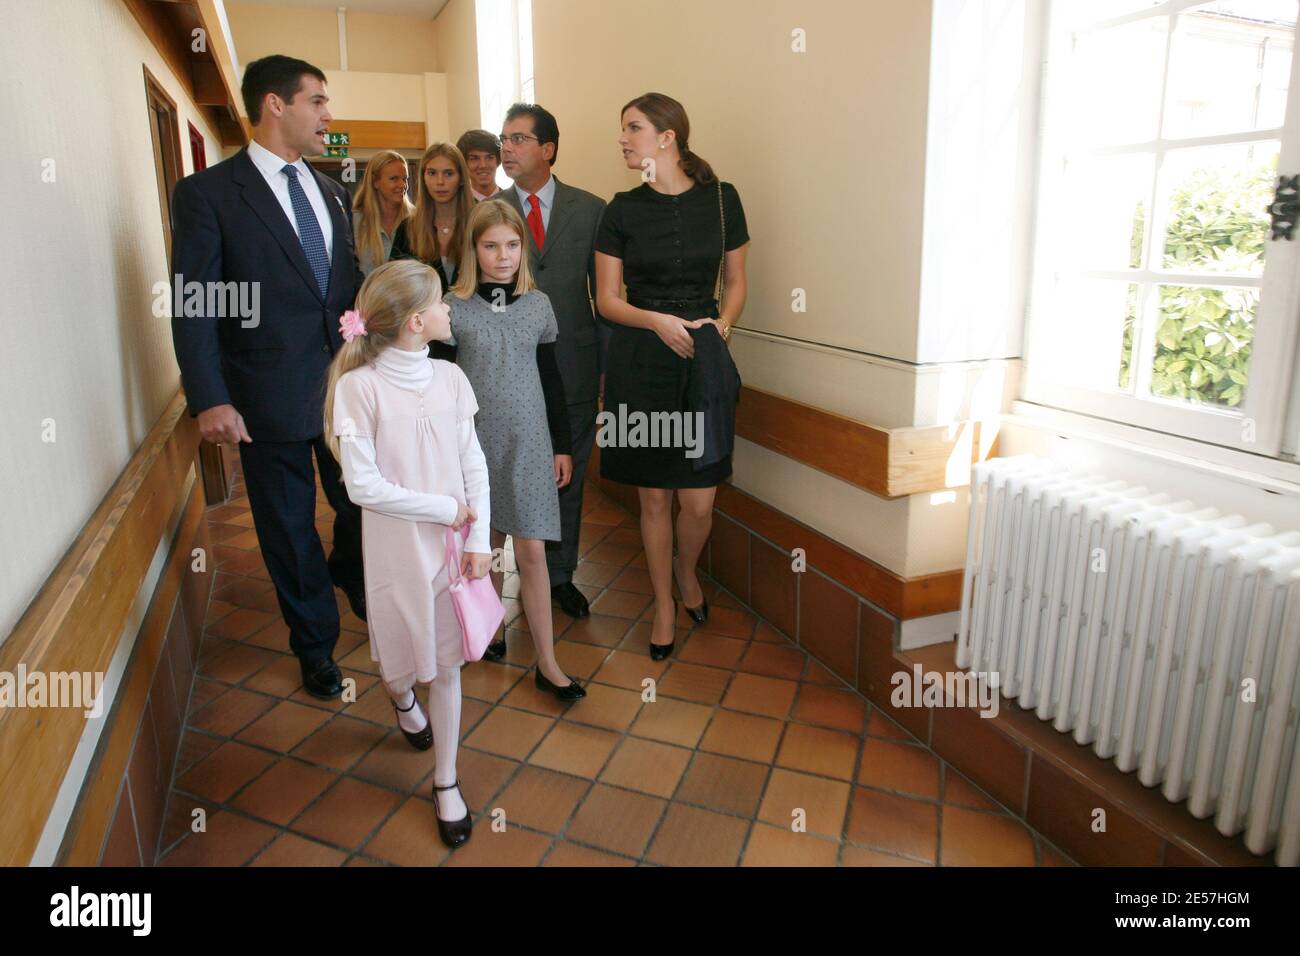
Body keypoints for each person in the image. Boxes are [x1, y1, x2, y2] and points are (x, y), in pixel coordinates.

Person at [169, 54, 366, 699]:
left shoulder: (333, 192)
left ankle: (351, 570)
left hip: (344, 392)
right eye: (318, 101)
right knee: (287, 527)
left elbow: (346, 291)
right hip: (262, 397)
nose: (328, 116)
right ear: (275, 105)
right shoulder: (209, 194)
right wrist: (210, 398)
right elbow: (195, 302)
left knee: (361, 504)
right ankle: (315, 645)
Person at [325, 259, 490, 848]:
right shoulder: (359, 387)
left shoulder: (450, 379)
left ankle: (446, 780)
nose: (452, 311)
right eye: (444, 303)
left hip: (451, 546)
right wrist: (445, 510)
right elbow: (362, 486)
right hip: (399, 545)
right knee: (400, 658)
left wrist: (476, 537)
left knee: (446, 662)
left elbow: (474, 462)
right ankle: (399, 697)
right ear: (418, 321)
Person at [594, 92, 750, 661]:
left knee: (700, 502)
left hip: (703, 361)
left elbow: (735, 281)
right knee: (655, 499)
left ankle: (687, 571)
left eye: (632, 128)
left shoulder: (723, 200)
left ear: (668, 136)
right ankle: (663, 602)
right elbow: (607, 300)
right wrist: (657, 321)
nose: (623, 138)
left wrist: (722, 327)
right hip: (642, 361)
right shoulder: (621, 209)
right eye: (624, 129)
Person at [442, 200, 586, 700]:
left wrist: (562, 446)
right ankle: (492, 626)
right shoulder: (453, 309)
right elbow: (438, 384)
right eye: (490, 246)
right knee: (487, 541)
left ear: (522, 249)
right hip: (475, 444)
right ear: (472, 249)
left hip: (530, 440)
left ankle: (547, 661)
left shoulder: (537, 305)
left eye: (511, 244)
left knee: (531, 549)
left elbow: (551, 377)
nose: (502, 256)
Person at [495, 102, 609, 621]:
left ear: (548, 149)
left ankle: (560, 576)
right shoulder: (492, 211)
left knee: (569, 473)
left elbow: (603, 297)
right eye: (504, 139)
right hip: (508, 374)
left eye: (518, 139)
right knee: (505, 477)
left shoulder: (591, 210)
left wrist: (605, 369)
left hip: (575, 369)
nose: (507, 148)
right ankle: (498, 578)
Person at [389, 142, 473, 293]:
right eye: (432, 173)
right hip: (424, 315)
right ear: (423, 177)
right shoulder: (408, 228)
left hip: (476, 314)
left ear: (461, 178)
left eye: (448, 173)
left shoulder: (480, 223)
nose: (440, 182)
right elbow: (396, 286)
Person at [352, 149, 413, 275]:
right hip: (367, 293)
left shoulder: (416, 220)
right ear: (375, 182)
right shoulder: (354, 221)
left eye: (405, 179)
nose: (402, 185)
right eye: (394, 179)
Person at [457, 129, 502, 201]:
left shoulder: (514, 203)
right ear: (463, 163)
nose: (483, 165)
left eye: (489, 157)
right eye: (475, 158)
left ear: (498, 160)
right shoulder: (457, 205)